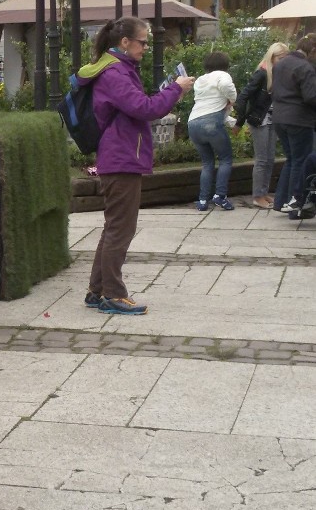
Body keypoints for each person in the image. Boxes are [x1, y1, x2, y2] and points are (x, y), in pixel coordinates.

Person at [83, 16, 194, 316]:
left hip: (119, 157)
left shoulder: (117, 69)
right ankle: (114, 295)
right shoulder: (115, 73)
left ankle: (97, 291)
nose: (146, 46)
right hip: (121, 160)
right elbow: (145, 108)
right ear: (124, 42)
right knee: (121, 229)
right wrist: (176, 90)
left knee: (113, 228)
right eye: (143, 41)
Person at [232, 42, 289, 209]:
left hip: (273, 119)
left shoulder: (279, 74)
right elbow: (243, 97)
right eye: (280, 58)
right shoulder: (262, 74)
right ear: (272, 58)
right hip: (259, 120)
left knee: (270, 158)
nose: (283, 61)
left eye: (285, 58)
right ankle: (257, 195)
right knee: (262, 159)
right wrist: (239, 122)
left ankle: (264, 192)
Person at [270, 34, 316, 214]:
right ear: (312, 50)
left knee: (291, 160)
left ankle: (280, 201)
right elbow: (311, 96)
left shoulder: (281, 64)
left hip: (280, 118)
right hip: (299, 119)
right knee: (301, 162)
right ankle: (296, 206)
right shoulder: (305, 67)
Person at [187, 52, 238, 211]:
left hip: (193, 122)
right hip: (212, 123)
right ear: (225, 65)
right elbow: (226, 86)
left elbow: (210, 105)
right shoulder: (222, 75)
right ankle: (220, 196)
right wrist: (233, 99)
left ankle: (203, 200)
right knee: (225, 159)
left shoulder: (201, 80)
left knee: (207, 163)